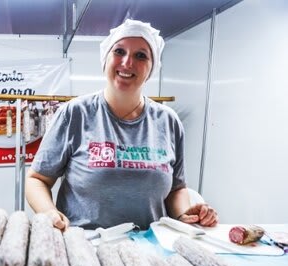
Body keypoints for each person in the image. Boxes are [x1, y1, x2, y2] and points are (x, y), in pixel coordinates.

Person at [25, 19, 218, 231]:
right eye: (119, 51)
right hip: (86, 247)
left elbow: (175, 189)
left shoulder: (168, 121)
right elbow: (36, 179)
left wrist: (183, 214)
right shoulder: (75, 114)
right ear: (105, 59)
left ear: (151, 67)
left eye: (141, 55)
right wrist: (49, 212)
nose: (127, 63)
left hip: (151, 246)